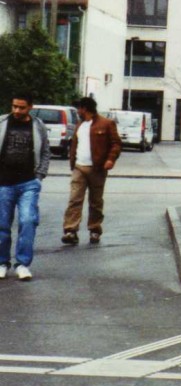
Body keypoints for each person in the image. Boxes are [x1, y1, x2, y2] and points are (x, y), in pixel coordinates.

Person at [0, 93, 51, 281]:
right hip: (3, 182)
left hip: (29, 182)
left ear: (30, 107)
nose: (17, 111)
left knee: (28, 221)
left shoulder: (38, 126)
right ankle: (2, 263)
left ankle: (22, 264)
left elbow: (46, 151)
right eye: (14, 106)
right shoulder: (2, 122)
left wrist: (39, 176)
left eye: (21, 107)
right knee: (2, 224)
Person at [62, 96, 121, 246]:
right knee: (74, 199)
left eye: (79, 109)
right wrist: (73, 161)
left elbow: (116, 144)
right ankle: (70, 231)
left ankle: (94, 229)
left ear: (85, 109)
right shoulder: (79, 125)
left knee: (95, 201)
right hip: (79, 167)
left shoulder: (106, 124)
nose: (77, 112)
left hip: (97, 168)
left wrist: (110, 160)